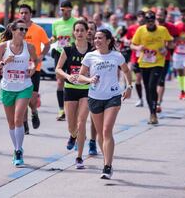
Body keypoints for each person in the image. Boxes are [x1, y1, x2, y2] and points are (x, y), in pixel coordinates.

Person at [79, 29, 132, 179]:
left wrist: (129, 86)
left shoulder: (117, 56)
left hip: (113, 96)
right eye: (95, 38)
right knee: (101, 132)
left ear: (108, 41)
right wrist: (89, 80)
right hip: (95, 97)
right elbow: (81, 76)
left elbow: (127, 71)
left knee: (107, 130)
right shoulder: (90, 56)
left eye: (100, 38)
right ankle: (106, 160)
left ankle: (107, 166)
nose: (96, 40)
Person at [0, 19, 38, 167]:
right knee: (11, 122)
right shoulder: (2, 47)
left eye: (26, 30)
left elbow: (35, 61)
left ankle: (18, 151)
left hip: (24, 86)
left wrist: (32, 67)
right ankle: (16, 147)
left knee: (18, 119)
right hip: (7, 87)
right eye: (21, 29)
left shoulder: (29, 47)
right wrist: (5, 62)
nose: (24, 32)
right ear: (13, 30)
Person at [55, 20, 92, 169]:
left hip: (87, 89)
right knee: (72, 125)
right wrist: (67, 76)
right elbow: (58, 69)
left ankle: (79, 157)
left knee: (81, 121)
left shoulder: (92, 51)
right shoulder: (68, 50)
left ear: (86, 32)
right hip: (70, 88)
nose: (79, 33)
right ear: (73, 33)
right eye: (77, 30)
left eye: (82, 30)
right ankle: (73, 135)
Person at [131, 11, 173, 124]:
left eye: (151, 21)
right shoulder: (141, 30)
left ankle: (154, 113)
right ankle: (151, 113)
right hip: (144, 63)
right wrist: (138, 47)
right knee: (148, 89)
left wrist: (166, 49)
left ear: (155, 20)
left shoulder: (162, 30)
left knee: (152, 86)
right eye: (147, 21)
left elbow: (171, 42)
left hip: (158, 62)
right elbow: (132, 44)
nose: (150, 23)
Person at [19, 4, 50, 133]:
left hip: (34, 68)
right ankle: (24, 124)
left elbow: (47, 44)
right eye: (21, 13)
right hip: (19, 68)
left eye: (26, 13)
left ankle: (34, 111)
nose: (23, 15)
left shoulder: (38, 29)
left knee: (32, 99)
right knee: (22, 98)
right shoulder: (17, 29)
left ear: (30, 14)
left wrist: (41, 55)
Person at [52, 1, 77, 121]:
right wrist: (49, 41)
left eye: (68, 10)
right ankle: (61, 109)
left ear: (71, 11)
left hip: (71, 53)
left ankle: (72, 107)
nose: (65, 12)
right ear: (60, 10)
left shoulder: (75, 22)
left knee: (72, 80)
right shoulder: (56, 23)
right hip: (59, 53)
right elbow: (54, 37)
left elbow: (79, 36)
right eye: (62, 10)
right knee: (60, 81)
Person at [156, 9, 178, 112]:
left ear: (165, 16)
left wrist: (168, 46)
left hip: (165, 57)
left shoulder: (171, 27)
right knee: (152, 82)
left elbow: (174, 42)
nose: (158, 17)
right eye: (157, 15)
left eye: (161, 15)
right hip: (150, 59)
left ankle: (158, 102)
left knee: (161, 80)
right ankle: (154, 100)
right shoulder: (150, 26)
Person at [126, 11, 146, 107]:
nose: (141, 18)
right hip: (135, 57)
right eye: (139, 16)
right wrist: (129, 41)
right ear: (137, 18)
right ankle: (140, 99)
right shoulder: (132, 28)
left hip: (148, 58)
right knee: (138, 79)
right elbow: (127, 40)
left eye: (143, 16)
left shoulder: (149, 28)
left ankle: (151, 98)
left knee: (147, 81)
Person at [86, 21, 98, 155]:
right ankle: (78, 136)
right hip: (79, 85)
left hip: (94, 85)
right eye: (87, 29)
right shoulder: (79, 46)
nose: (89, 31)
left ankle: (93, 141)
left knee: (93, 116)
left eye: (92, 29)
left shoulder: (98, 47)